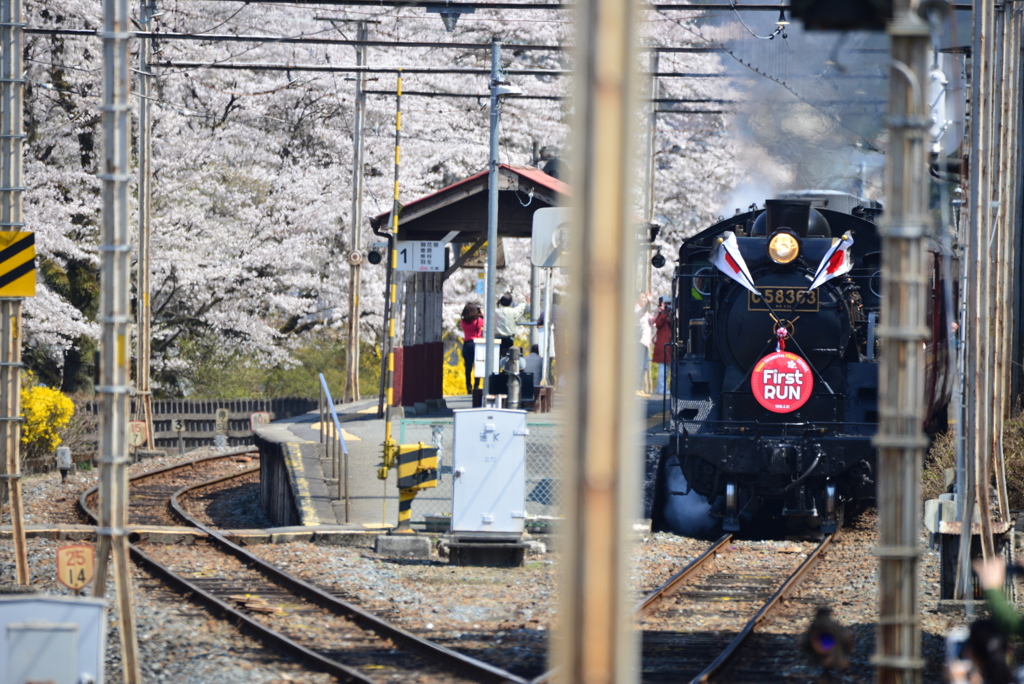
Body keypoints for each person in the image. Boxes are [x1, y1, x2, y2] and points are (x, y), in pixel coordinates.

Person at [495, 292, 529, 358]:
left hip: (496, 338)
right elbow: (520, 308)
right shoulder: (512, 312)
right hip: (508, 339)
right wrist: (525, 303)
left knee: (496, 358)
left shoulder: (495, 311)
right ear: (510, 303)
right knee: (507, 358)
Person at [460, 302, 484, 394]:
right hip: (477, 344)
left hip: (467, 344)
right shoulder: (478, 321)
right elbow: (486, 322)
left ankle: (468, 386)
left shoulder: (462, 322)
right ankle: (476, 386)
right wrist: (482, 314)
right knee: (478, 366)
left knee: (468, 367)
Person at [652, 295, 672, 395]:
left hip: (669, 345)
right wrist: (663, 313)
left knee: (667, 370)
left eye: (669, 305)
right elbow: (658, 324)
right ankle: (661, 389)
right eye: (666, 305)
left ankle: (665, 388)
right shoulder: (660, 314)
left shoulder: (671, 315)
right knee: (662, 370)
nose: (668, 307)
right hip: (662, 345)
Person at [636, 291, 653, 396]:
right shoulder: (635, 309)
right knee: (639, 366)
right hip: (638, 341)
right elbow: (641, 312)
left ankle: (639, 388)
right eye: (642, 297)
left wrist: (661, 312)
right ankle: (636, 388)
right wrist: (649, 303)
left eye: (645, 298)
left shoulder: (646, 313)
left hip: (646, 342)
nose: (644, 299)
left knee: (644, 367)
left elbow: (652, 322)